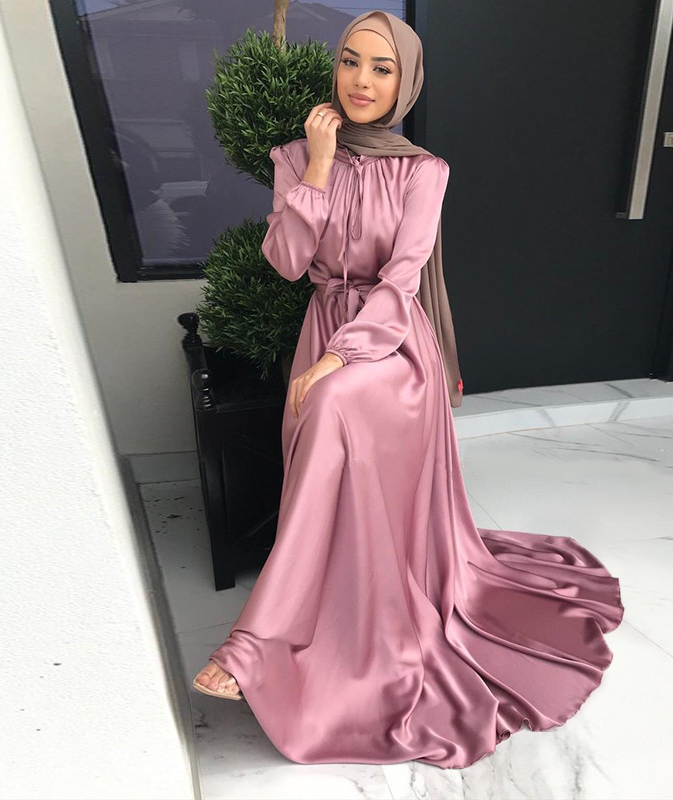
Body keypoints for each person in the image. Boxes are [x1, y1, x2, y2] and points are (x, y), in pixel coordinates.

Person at [192, 10, 624, 770]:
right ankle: (321, 608)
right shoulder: (295, 155)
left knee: (333, 400)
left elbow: (403, 277)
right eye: (350, 61)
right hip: (322, 324)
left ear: (406, 82)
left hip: (393, 344)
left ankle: (259, 641)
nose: (361, 80)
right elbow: (288, 262)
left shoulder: (425, 171)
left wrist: (344, 356)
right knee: (325, 412)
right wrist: (318, 167)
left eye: (382, 68)